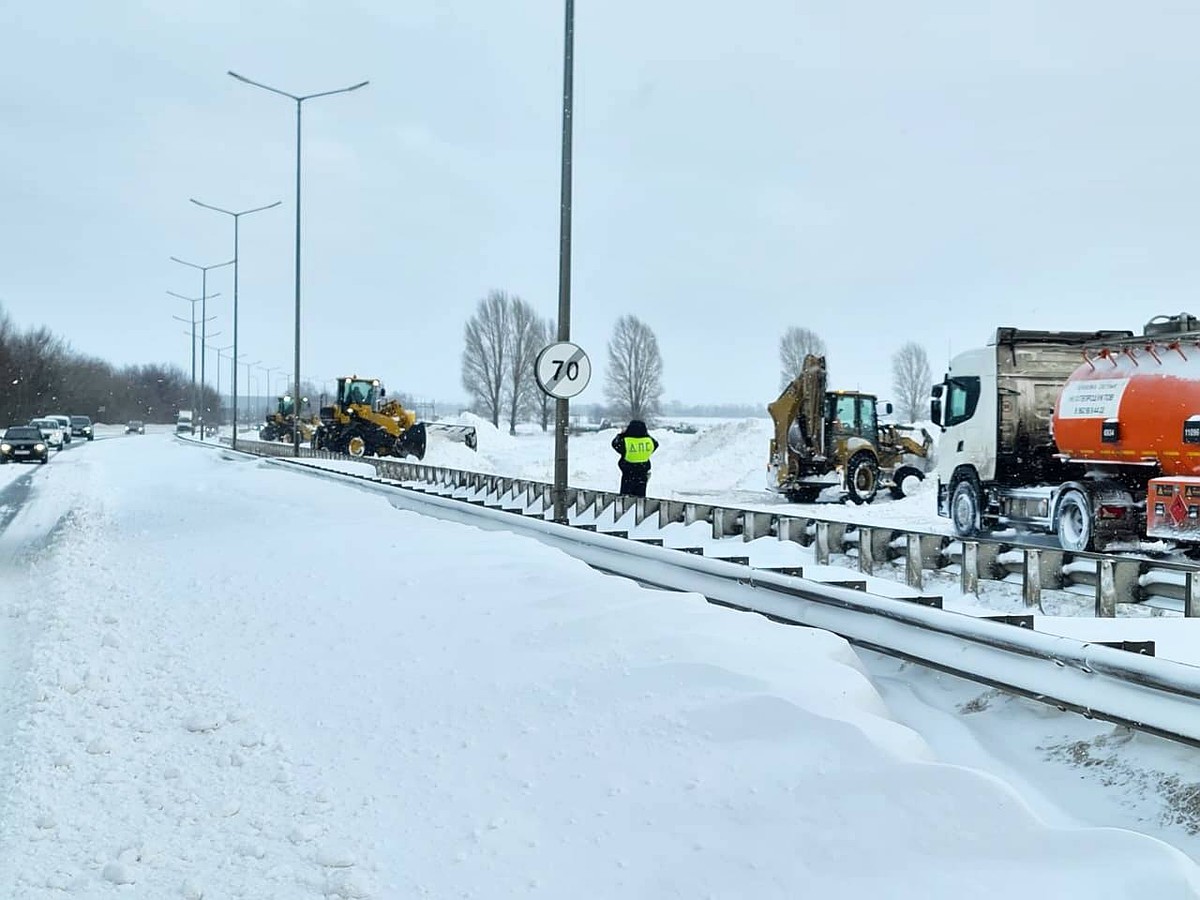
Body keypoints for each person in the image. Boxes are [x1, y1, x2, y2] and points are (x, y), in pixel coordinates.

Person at [612, 419, 659, 497]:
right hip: (642, 474)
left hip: (628, 474)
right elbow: (656, 444)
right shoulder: (649, 441)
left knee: (626, 498)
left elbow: (615, 444)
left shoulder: (625, 441)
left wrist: (621, 434)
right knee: (640, 498)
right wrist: (646, 434)